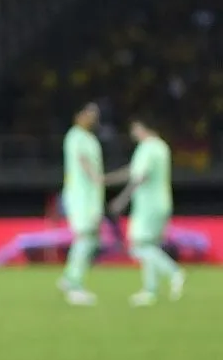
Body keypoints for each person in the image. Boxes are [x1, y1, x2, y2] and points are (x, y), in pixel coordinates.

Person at [108, 118, 185, 306]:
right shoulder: (161, 147)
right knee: (150, 246)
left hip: (148, 205)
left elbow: (140, 176)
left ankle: (174, 272)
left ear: (142, 128)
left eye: (134, 128)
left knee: (138, 246)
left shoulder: (147, 147)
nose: (133, 133)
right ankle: (150, 290)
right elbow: (133, 171)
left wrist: (122, 199)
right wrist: (107, 179)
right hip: (162, 202)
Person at [57, 102, 104, 305]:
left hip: (92, 196)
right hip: (80, 196)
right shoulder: (75, 136)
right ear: (79, 115)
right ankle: (75, 286)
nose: (92, 118)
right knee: (85, 237)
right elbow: (83, 160)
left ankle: (69, 278)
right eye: (88, 114)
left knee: (90, 238)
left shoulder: (90, 138)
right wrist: (95, 177)